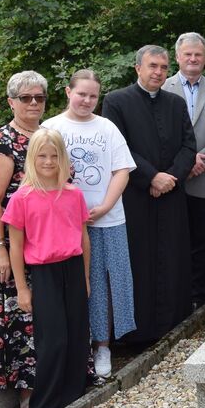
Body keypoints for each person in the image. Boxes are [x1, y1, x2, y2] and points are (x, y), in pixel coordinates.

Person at [44, 69, 137, 377]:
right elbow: (40, 171)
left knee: (107, 284)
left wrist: (105, 205)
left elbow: (121, 170)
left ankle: (103, 346)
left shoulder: (107, 127)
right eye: (81, 93)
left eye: (93, 96)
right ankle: (76, 347)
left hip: (106, 219)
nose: (86, 100)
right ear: (68, 92)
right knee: (76, 284)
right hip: (63, 223)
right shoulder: (51, 127)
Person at [102, 45, 197, 342]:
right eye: (152, 66)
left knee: (172, 257)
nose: (158, 72)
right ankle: (137, 334)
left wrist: (170, 178)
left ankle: (174, 324)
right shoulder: (116, 101)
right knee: (138, 262)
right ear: (138, 68)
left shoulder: (176, 103)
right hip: (135, 195)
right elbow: (118, 148)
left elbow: (188, 146)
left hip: (171, 194)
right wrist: (151, 177)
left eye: (163, 68)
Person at [2, 129, 92, 408]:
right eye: (42, 155)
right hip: (44, 273)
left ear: (63, 158)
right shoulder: (22, 198)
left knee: (77, 335)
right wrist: (22, 289)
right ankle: (44, 407)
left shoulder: (74, 194)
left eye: (54, 155)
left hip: (74, 269)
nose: (49, 161)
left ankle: (74, 397)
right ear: (32, 158)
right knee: (53, 340)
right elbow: (15, 247)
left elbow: (83, 237)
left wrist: (87, 278)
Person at [0, 71, 47, 408]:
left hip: (50, 246)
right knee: (22, 316)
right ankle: (28, 396)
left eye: (39, 98)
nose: (33, 103)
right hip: (11, 247)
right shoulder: (0, 141)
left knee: (51, 315)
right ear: (11, 102)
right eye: (26, 98)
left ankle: (59, 381)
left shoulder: (50, 137)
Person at [162, 33, 205, 309]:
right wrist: (184, 164)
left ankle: (197, 298)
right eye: (187, 54)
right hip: (172, 178)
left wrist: (202, 160)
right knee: (172, 241)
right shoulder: (162, 89)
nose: (192, 59)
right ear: (177, 57)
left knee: (201, 241)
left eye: (198, 54)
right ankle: (173, 298)